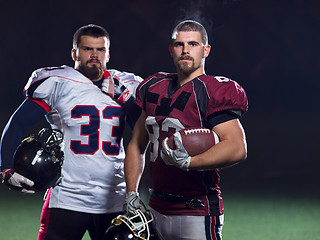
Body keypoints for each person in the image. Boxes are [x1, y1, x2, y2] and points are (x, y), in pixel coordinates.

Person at [0, 24, 142, 240]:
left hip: (114, 197)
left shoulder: (125, 85)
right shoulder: (59, 82)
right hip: (66, 197)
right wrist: (6, 167)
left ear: (108, 54)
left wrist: (128, 101)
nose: (95, 55)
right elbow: (17, 122)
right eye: (87, 49)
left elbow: (143, 135)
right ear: (74, 53)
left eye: (100, 50)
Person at [122, 20, 248, 240]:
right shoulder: (154, 86)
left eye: (193, 44)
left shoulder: (213, 90)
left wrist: (190, 162)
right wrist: (131, 192)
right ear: (171, 50)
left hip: (196, 208)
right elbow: (136, 144)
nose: (185, 50)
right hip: (156, 207)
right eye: (179, 44)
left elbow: (237, 148)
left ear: (206, 50)